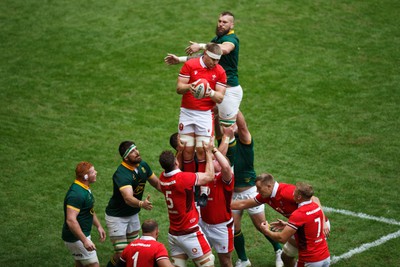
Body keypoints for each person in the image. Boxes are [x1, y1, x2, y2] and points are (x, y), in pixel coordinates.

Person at [220, 111, 283, 267]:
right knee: (234, 227)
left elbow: (242, 126)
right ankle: (243, 259)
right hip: (232, 193)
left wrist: (234, 107)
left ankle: (279, 251)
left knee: (261, 225)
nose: (231, 125)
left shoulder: (246, 141)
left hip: (250, 191)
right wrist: (216, 116)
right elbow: (218, 129)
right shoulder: (224, 143)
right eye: (228, 124)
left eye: (232, 123)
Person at [231, 173, 330, 267]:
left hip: (316, 225)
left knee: (309, 256)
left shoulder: (286, 192)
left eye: (259, 188)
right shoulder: (266, 196)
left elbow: (315, 199)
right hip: (300, 225)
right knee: (286, 256)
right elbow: (243, 204)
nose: (257, 191)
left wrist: (324, 223)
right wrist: (222, 204)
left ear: (269, 186)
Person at [165, 11, 242, 128]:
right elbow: (202, 57)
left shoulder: (231, 39)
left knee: (229, 130)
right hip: (216, 88)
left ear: (232, 25)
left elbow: (225, 49)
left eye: (225, 22)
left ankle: (241, 145)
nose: (221, 24)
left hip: (229, 89)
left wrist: (200, 45)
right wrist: (179, 59)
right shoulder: (217, 38)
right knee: (215, 123)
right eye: (219, 21)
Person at [158, 138, 216, 267]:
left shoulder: (162, 178)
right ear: (176, 162)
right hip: (189, 233)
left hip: (173, 234)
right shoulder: (183, 178)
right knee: (208, 262)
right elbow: (209, 176)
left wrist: (179, 151)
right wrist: (208, 152)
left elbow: (173, 165)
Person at [105, 141, 161, 267]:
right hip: (117, 217)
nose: (137, 153)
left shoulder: (143, 165)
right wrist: (142, 203)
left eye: (136, 149)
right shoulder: (122, 174)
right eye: (132, 152)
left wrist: (170, 192)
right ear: (125, 157)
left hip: (132, 214)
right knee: (122, 254)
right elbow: (128, 198)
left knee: (133, 250)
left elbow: (157, 183)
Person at [260, 182, 331, 267]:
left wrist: (266, 231)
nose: (292, 193)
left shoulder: (298, 214)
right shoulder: (316, 207)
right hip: (325, 257)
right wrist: (288, 225)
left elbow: (281, 238)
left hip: (310, 260)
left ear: (299, 197)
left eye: (295, 192)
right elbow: (308, 226)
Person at [199, 128, 235, 267]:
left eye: (216, 161)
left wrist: (213, 149)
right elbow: (220, 158)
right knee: (202, 260)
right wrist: (225, 137)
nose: (213, 161)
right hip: (203, 223)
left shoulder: (226, 178)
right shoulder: (207, 174)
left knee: (225, 261)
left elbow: (226, 166)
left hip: (221, 227)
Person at [62, 161, 106, 267]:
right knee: (93, 264)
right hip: (76, 238)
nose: (96, 172)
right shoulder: (76, 194)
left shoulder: (84, 188)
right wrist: (85, 240)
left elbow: (88, 210)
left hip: (79, 236)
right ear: (85, 176)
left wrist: (98, 226)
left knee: (80, 264)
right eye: (92, 172)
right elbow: (71, 220)